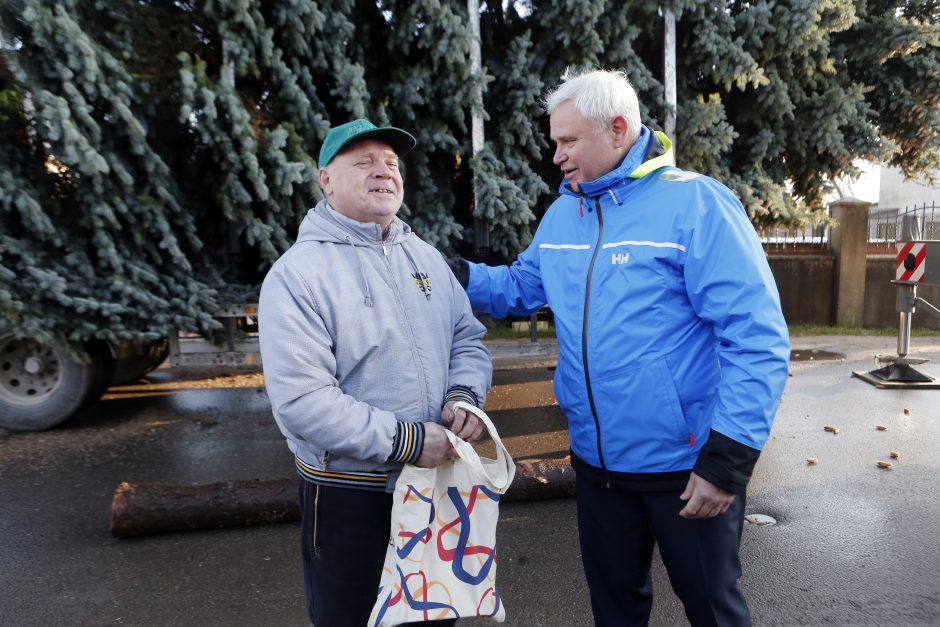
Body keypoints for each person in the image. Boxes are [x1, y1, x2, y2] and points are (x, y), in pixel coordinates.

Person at [450, 69, 790, 626]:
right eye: (554, 141)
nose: (556, 155)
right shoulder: (565, 213)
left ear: (617, 128)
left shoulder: (696, 204)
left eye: (567, 141)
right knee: (614, 612)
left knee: (713, 610)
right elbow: (519, 287)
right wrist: (453, 272)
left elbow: (756, 337)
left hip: (687, 469)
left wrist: (728, 460)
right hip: (597, 468)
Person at [259, 118, 492, 627]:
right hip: (349, 496)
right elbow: (303, 402)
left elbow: (467, 339)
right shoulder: (298, 275)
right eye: (362, 161)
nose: (383, 172)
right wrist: (409, 441)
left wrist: (465, 395)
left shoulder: (423, 257)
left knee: (434, 617)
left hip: (432, 487)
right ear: (326, 178)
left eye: (390, 162)